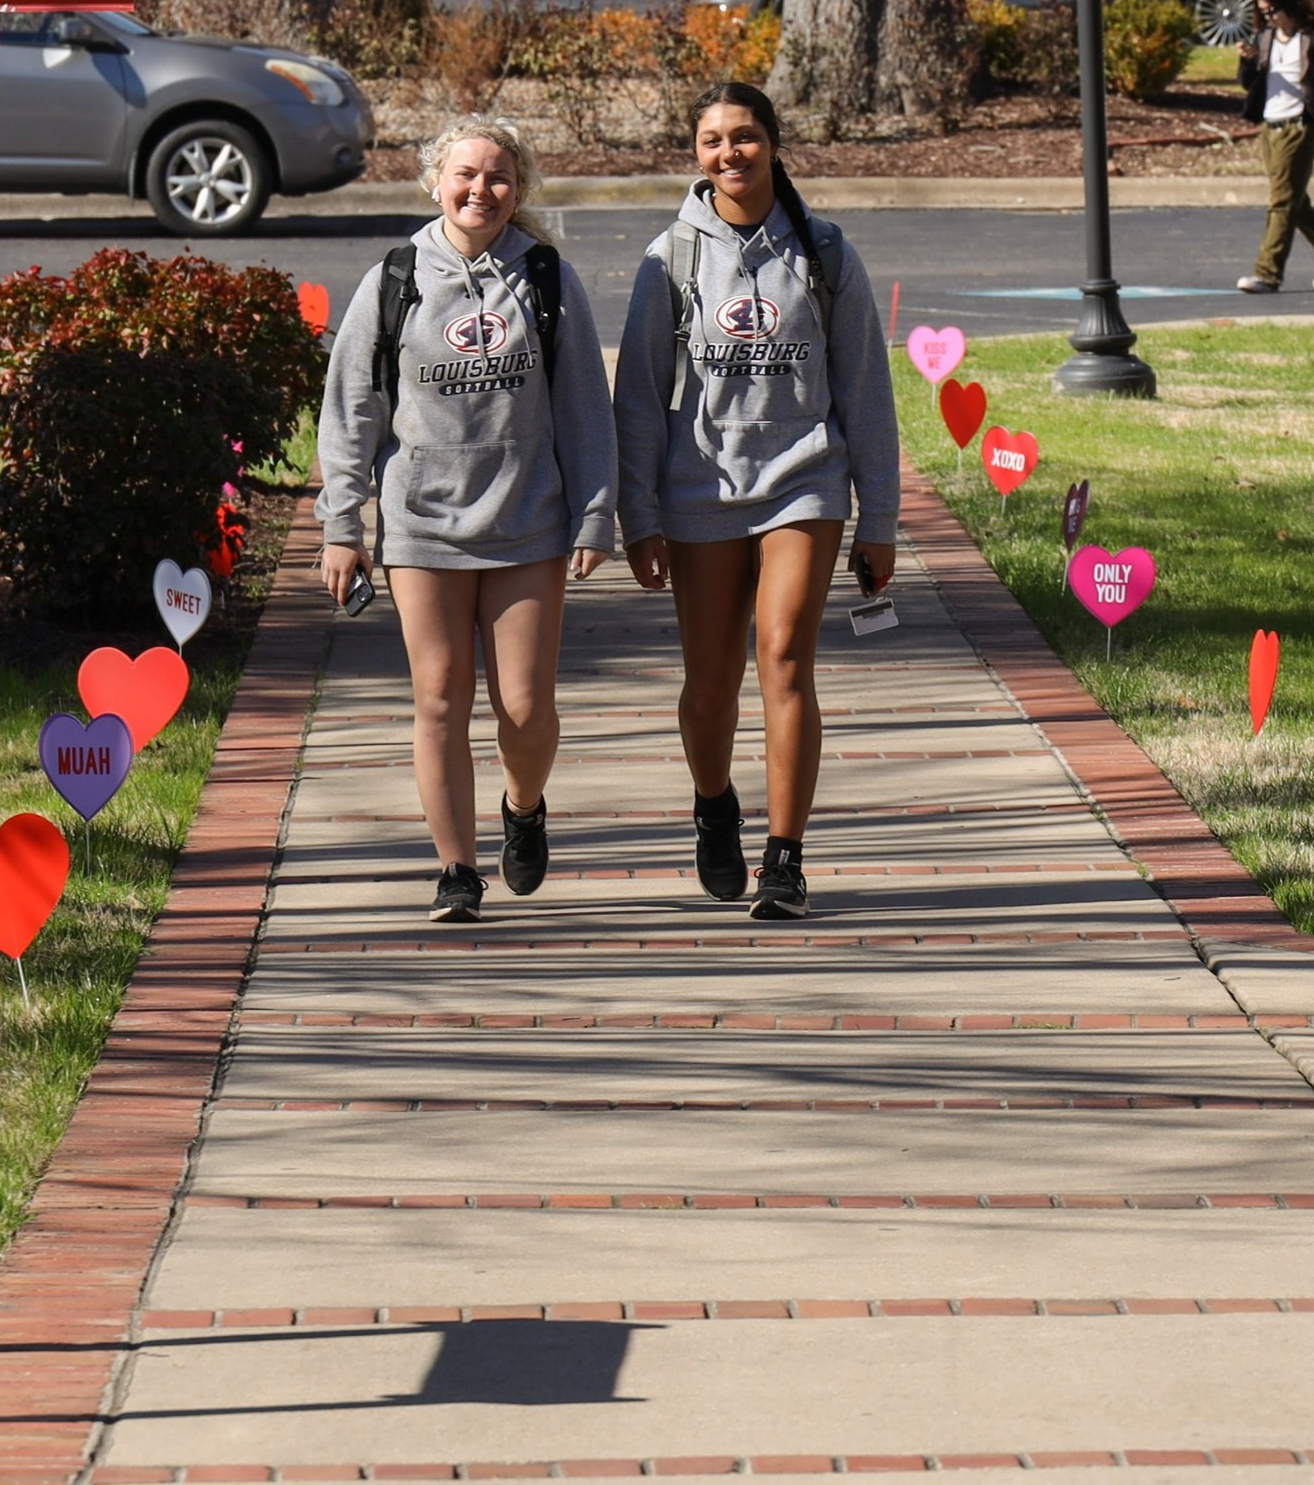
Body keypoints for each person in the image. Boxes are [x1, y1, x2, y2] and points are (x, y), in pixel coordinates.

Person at [316, 118, 617, 924]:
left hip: (529, 521)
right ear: (433, 181)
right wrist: (342, 524)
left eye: (498, 178)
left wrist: (595, 516)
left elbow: (586, 407)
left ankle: (524, 804)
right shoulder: (395, 278)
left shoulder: (547, 279)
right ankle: (456, 869)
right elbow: (352, 406)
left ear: (519, 192)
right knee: (440, 697)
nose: (480, 190)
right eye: (466, 175)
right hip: (422, 523)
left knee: (524, 708)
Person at [614, 81, 900, 920]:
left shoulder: (825, 250)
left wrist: (877, 517)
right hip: (699, 488)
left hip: (805, 479)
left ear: (774, 143)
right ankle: (714, 806)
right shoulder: (669, 257)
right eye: (710, 140)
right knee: (710, 684)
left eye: (743, 136)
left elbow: (865, 392)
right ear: (696, 155)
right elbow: (638, 397)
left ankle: (785, 857)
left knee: (783, 656)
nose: (728, 153)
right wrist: (640, 515)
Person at [1236, 0, 1314, 295]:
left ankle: (1267, 274)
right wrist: (1246, 63)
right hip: (1269, 128)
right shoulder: (1265, 38)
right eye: (1263, 12)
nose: (1268, 17)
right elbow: (1248, 84)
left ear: (1289, 4)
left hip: (1300, 127)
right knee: (1293, 201)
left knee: (1281, 201)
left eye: (1272, 10)